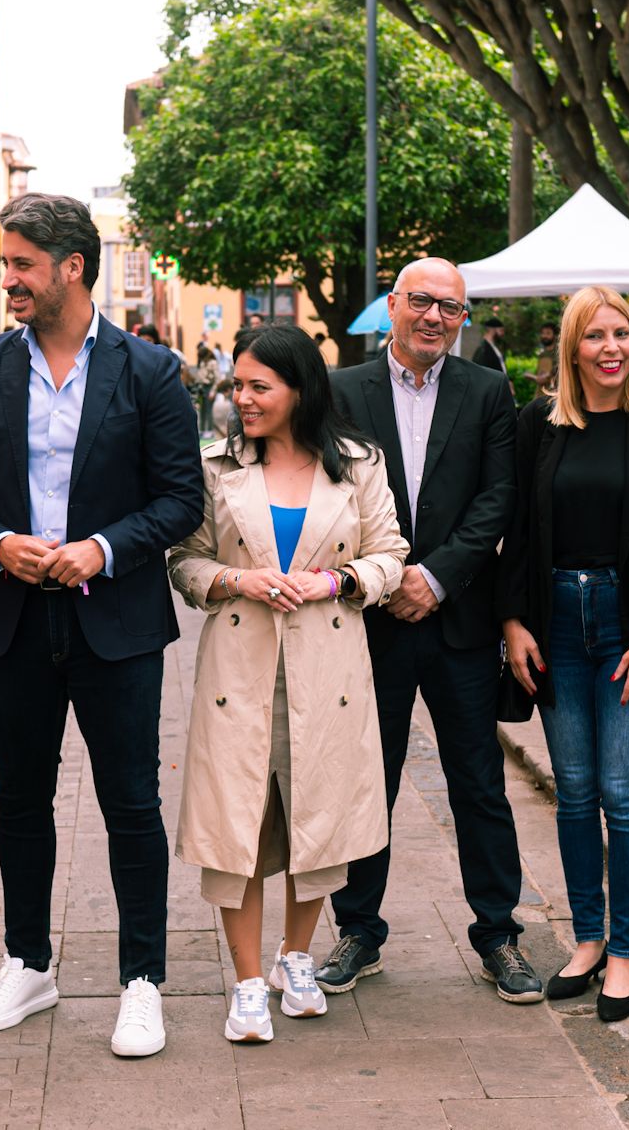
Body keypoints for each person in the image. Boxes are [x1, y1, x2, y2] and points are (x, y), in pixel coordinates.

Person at [0, 193, 204, 1058]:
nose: (7, 278)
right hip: (12, 619)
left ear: (71, 267)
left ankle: (142, 981)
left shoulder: (149, 372)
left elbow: (179, 500)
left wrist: (102, 548)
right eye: (5, 264)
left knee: (132, 804)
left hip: (115, 620)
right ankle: (28, 964)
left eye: (20, 264)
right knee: (20, 800)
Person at [168, 324, 407, 1043]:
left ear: (299, 389)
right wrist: (238, 578)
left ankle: (294, 959)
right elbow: (185, 561)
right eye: (237, 385)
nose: (241, 399)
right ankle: (245, 982)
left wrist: (336, 579)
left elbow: (391, 553)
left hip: (328, 668)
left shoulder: (359, 465)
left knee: (318, 819)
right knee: (236, 825)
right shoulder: (217, 468)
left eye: (257, 387)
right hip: (238, 671)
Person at [323, 258, 543, 1003]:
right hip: (367, 621)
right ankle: (357, 930)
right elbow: (326, 493)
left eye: (451, 308)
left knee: (479, 784)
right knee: (366, 782)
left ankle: (498, 934)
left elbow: (499, 496)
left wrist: (436, 576)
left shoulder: (486, 390)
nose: (434, 318)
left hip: (460, 620)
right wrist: (386, 577)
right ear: (392, 303)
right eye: (422, 302)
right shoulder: (342, 390)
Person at [498, 286, 629, 1022]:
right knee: (575, 792)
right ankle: (585, 940)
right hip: (555, 621)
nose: (611, 348)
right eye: (595, 336)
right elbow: (515, 528)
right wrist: (512, 621)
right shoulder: (538, 425)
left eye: (622, 334)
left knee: (623, 794)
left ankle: (623, 952)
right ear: (572, 348)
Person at [190, 343, 220, 436]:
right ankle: (202, 430)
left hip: (209, 387)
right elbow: (200, 375)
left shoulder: (213, 363)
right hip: (201, 388)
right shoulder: (203, 362)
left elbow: (217, 378)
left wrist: (213, 391)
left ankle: (209, 431)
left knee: (208, 410)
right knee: (201, 410)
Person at [531, 322, 559, 392]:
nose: (544, 336)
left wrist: (548, 375)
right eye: (543, 333)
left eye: (548, 333)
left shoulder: (559, 352)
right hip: (541, 392)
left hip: (555, 392)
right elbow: (539, 374)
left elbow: (558, 369)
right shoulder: (542, 354)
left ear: (555, 335)